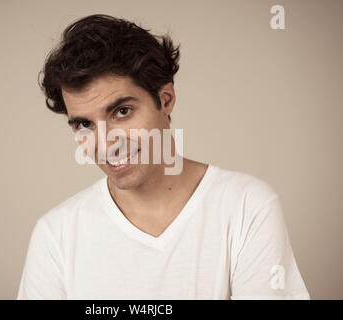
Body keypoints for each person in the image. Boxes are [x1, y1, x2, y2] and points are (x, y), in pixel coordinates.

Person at [17, 14, 310, 299]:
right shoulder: (56, 234)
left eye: (122, 111)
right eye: (85, 124)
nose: (106, 146)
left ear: (165, 100)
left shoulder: (246, 207)